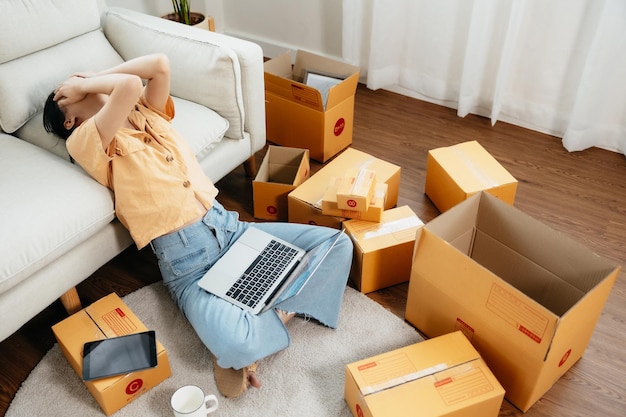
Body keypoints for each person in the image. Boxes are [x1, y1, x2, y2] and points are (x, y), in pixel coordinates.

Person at [43, 54, 353, 398]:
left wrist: (89, 78)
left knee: (339, 244)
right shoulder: (86, 140)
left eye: (84, 80)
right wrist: (86, 85)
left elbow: (160, 64)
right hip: (190, 268)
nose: (84, 81)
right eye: (74, 91)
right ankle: (260, 316)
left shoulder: (147, 111)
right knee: (238, 343)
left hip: (232, 230)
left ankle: (266, 309)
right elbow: (129, 85)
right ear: (69, 118)